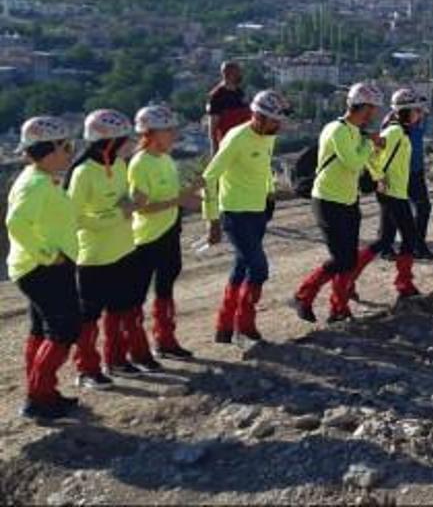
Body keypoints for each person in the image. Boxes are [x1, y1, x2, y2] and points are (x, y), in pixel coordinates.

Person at [67, 109, 159, 387]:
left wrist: (133, 200)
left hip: (124, 248)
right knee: (89, 318)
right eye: (122, 139)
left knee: (122, 310)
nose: (127, 144)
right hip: (93, 256)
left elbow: (121, 200)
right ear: (107, 142)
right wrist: (117, 214)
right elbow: (74, 217)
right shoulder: (82, 173)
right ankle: (86, 369)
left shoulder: (119, 165)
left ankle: (116, 359)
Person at [7, 116, 82, 419]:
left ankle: (42, 392)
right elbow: (15, 223)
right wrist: (48, 255)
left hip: (40, 266)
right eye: (67, 147)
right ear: (50, 148)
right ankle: (38, 399)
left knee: (43, 329)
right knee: (64, 329)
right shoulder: (36, 184)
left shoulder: (36, 177)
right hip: (43, 268)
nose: (71, 152)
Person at [292, 83, 384, 324]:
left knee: (349, 259)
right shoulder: (338, 130)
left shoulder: (355, 132)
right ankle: (303, 295)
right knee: (342, 259)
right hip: (327, 200)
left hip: (347, 200)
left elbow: (362, 163)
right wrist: (369, 144)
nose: (373, 113)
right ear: (361, 106)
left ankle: (338, 309)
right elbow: (353, 163)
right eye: (372, 108)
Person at [204, 89, 289, 344]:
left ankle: (224, 327)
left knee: (241, 268)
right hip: (234, 213)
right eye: (275, 120)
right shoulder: (236, 138)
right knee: (259, 268)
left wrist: (270, 194)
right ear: (259, 117)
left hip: (258, 211)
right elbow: (209, 177)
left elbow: (264, 167)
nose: (279, 125)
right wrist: (212, 220)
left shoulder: (268, 136)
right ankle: (245, 325)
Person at [129, 105, 203, 360]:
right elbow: (143, 208)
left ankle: (165, 340)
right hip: (146, 238)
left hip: (169, 232)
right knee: (136, 296)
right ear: (151, 133)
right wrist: (180, 200)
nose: (173, 134)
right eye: (168, 130)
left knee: (165, 289)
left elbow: (176, 198)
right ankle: (135, 349)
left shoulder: (166, 159)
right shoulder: (140, 164)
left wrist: (198, 198)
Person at [358, 88, 427, 301]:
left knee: (385, 240)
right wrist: (379, 177)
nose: (420, 114)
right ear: (405, 111)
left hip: (396, 191)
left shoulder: (401, 131)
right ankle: (404, 284)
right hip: (391, 193)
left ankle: (349, 277)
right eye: (416, 110)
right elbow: (370, 155)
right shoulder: (394, 132)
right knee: (409, 237)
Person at [402, 87, 433, 260]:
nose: (421, 112)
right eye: (418, 108)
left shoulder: (417, 124)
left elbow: (426, 128)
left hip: (416, 171)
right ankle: (412, 245)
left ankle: (417, 244)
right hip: (402, 173)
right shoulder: (397, 126)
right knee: (399, 212)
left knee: (422, 208)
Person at [205, 61, 251, 152]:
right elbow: (212, 129)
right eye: (238, 72)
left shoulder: (239, 93)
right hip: (227, 144)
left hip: (243, 143)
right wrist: (215, 152)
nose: (241, 75)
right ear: (229, 74)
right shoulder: (217, 96)